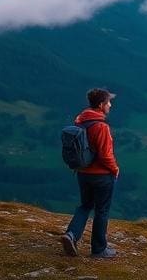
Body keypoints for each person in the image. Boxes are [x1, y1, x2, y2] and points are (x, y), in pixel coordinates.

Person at [60, 88, 121, 259]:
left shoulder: (80, 121)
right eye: (108, 102)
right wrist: (115, 169)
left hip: (83, 173)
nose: (110, 105)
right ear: (101, 105)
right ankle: (99, 250)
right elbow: (105, 155)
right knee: (101, 211)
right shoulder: (101, 127)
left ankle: (71, 235)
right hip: (101, 176)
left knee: (85, 206)